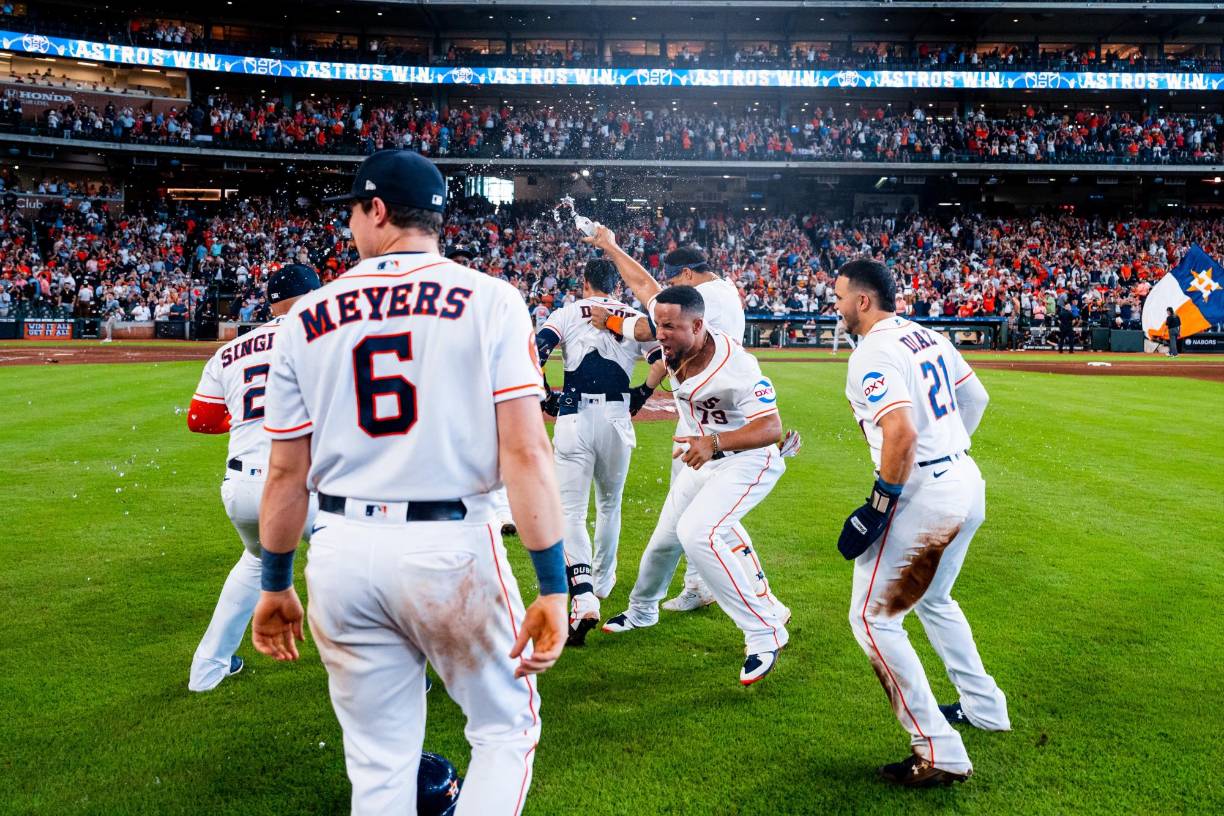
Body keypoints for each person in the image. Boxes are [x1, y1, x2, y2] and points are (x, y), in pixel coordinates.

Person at [251, 149, 568, 814]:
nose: (351, 228)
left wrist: (275, 583)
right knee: (505, 729)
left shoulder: (305, 315)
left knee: (378, 768)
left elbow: (285, 473)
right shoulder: (490, 298)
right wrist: (554, 583)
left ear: (377, 210)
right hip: (449, 547)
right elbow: (528, 452)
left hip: (338, 551)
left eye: (354, 213)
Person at [833, 258, 1009, 787]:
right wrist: (948, 452)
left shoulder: (874, 350)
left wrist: (883, 501)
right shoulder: (923, 334)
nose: (835, 305)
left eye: (840, 296)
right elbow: (974, 398)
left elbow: (902, 434)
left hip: (923, 491)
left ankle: (939, 748)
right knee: (935, 598)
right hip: (964, 480)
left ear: (863, 301)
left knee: (871, 619)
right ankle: (985, 706)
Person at [584, 228, 788, 621]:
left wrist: (612, 320)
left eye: (675, 281)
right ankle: (687, 591)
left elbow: (648, 315)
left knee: (704, 526)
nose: (669, 290)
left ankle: (762, 609)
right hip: (706, 414)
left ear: (690, 276)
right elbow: (650, 296)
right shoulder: (718, 292)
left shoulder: (705, 302)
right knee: (695, 524)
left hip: (718, 425)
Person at [601, 286, 791, 686]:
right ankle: (642, 610)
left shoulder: (736, 365)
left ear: (699, 325)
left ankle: (765, 631)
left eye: (670, 326)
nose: (661, 333)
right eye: (659, 324)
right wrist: (613, 320)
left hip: (746, 461)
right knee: (663, 541)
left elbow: (771, 426)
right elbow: (640, 324)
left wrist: (714, 442)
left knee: (697, 533)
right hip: (702, 459)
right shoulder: (671, 338)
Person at [184, 264, 322, 692]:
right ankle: (392, 680)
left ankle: (207, 669)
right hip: (309, 486)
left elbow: (200, 420)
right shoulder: (325, 336)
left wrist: (245, 421)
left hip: (243, 488)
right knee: (359, 566)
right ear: (314, 295)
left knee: (256, 562)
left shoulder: (232, 349)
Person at [534, 257, 663, 645]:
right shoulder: (632, 315)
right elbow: (661, 363)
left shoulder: (569, 311)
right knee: (611, 504)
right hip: (617, 416)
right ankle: (605, 582)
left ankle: (585, 590)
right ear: (617, 285)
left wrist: (545, 396)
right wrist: (642, 393)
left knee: (570, 511)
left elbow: (536, 350)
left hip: (574, 414)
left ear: (585, 282)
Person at [448, 245, 517, 535]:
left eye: (466, 261)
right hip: (451, 390)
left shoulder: (481, 298)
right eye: (457, 261)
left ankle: (503, 516)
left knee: (493, 456)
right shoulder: (438, 301)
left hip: (480, 388)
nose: (463, 266)